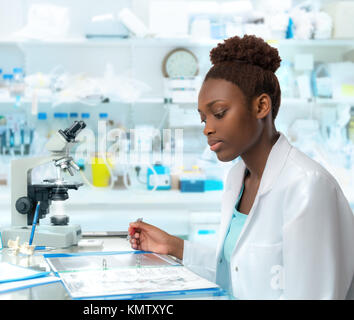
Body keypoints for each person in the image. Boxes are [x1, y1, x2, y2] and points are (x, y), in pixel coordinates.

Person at [128, 35, 354, 299]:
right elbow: (238, 271)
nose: (208, 128)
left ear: (261, 106)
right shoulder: (238, 177)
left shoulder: (307, 187)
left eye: (220, 113)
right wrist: (174, 246)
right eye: (203, 118)